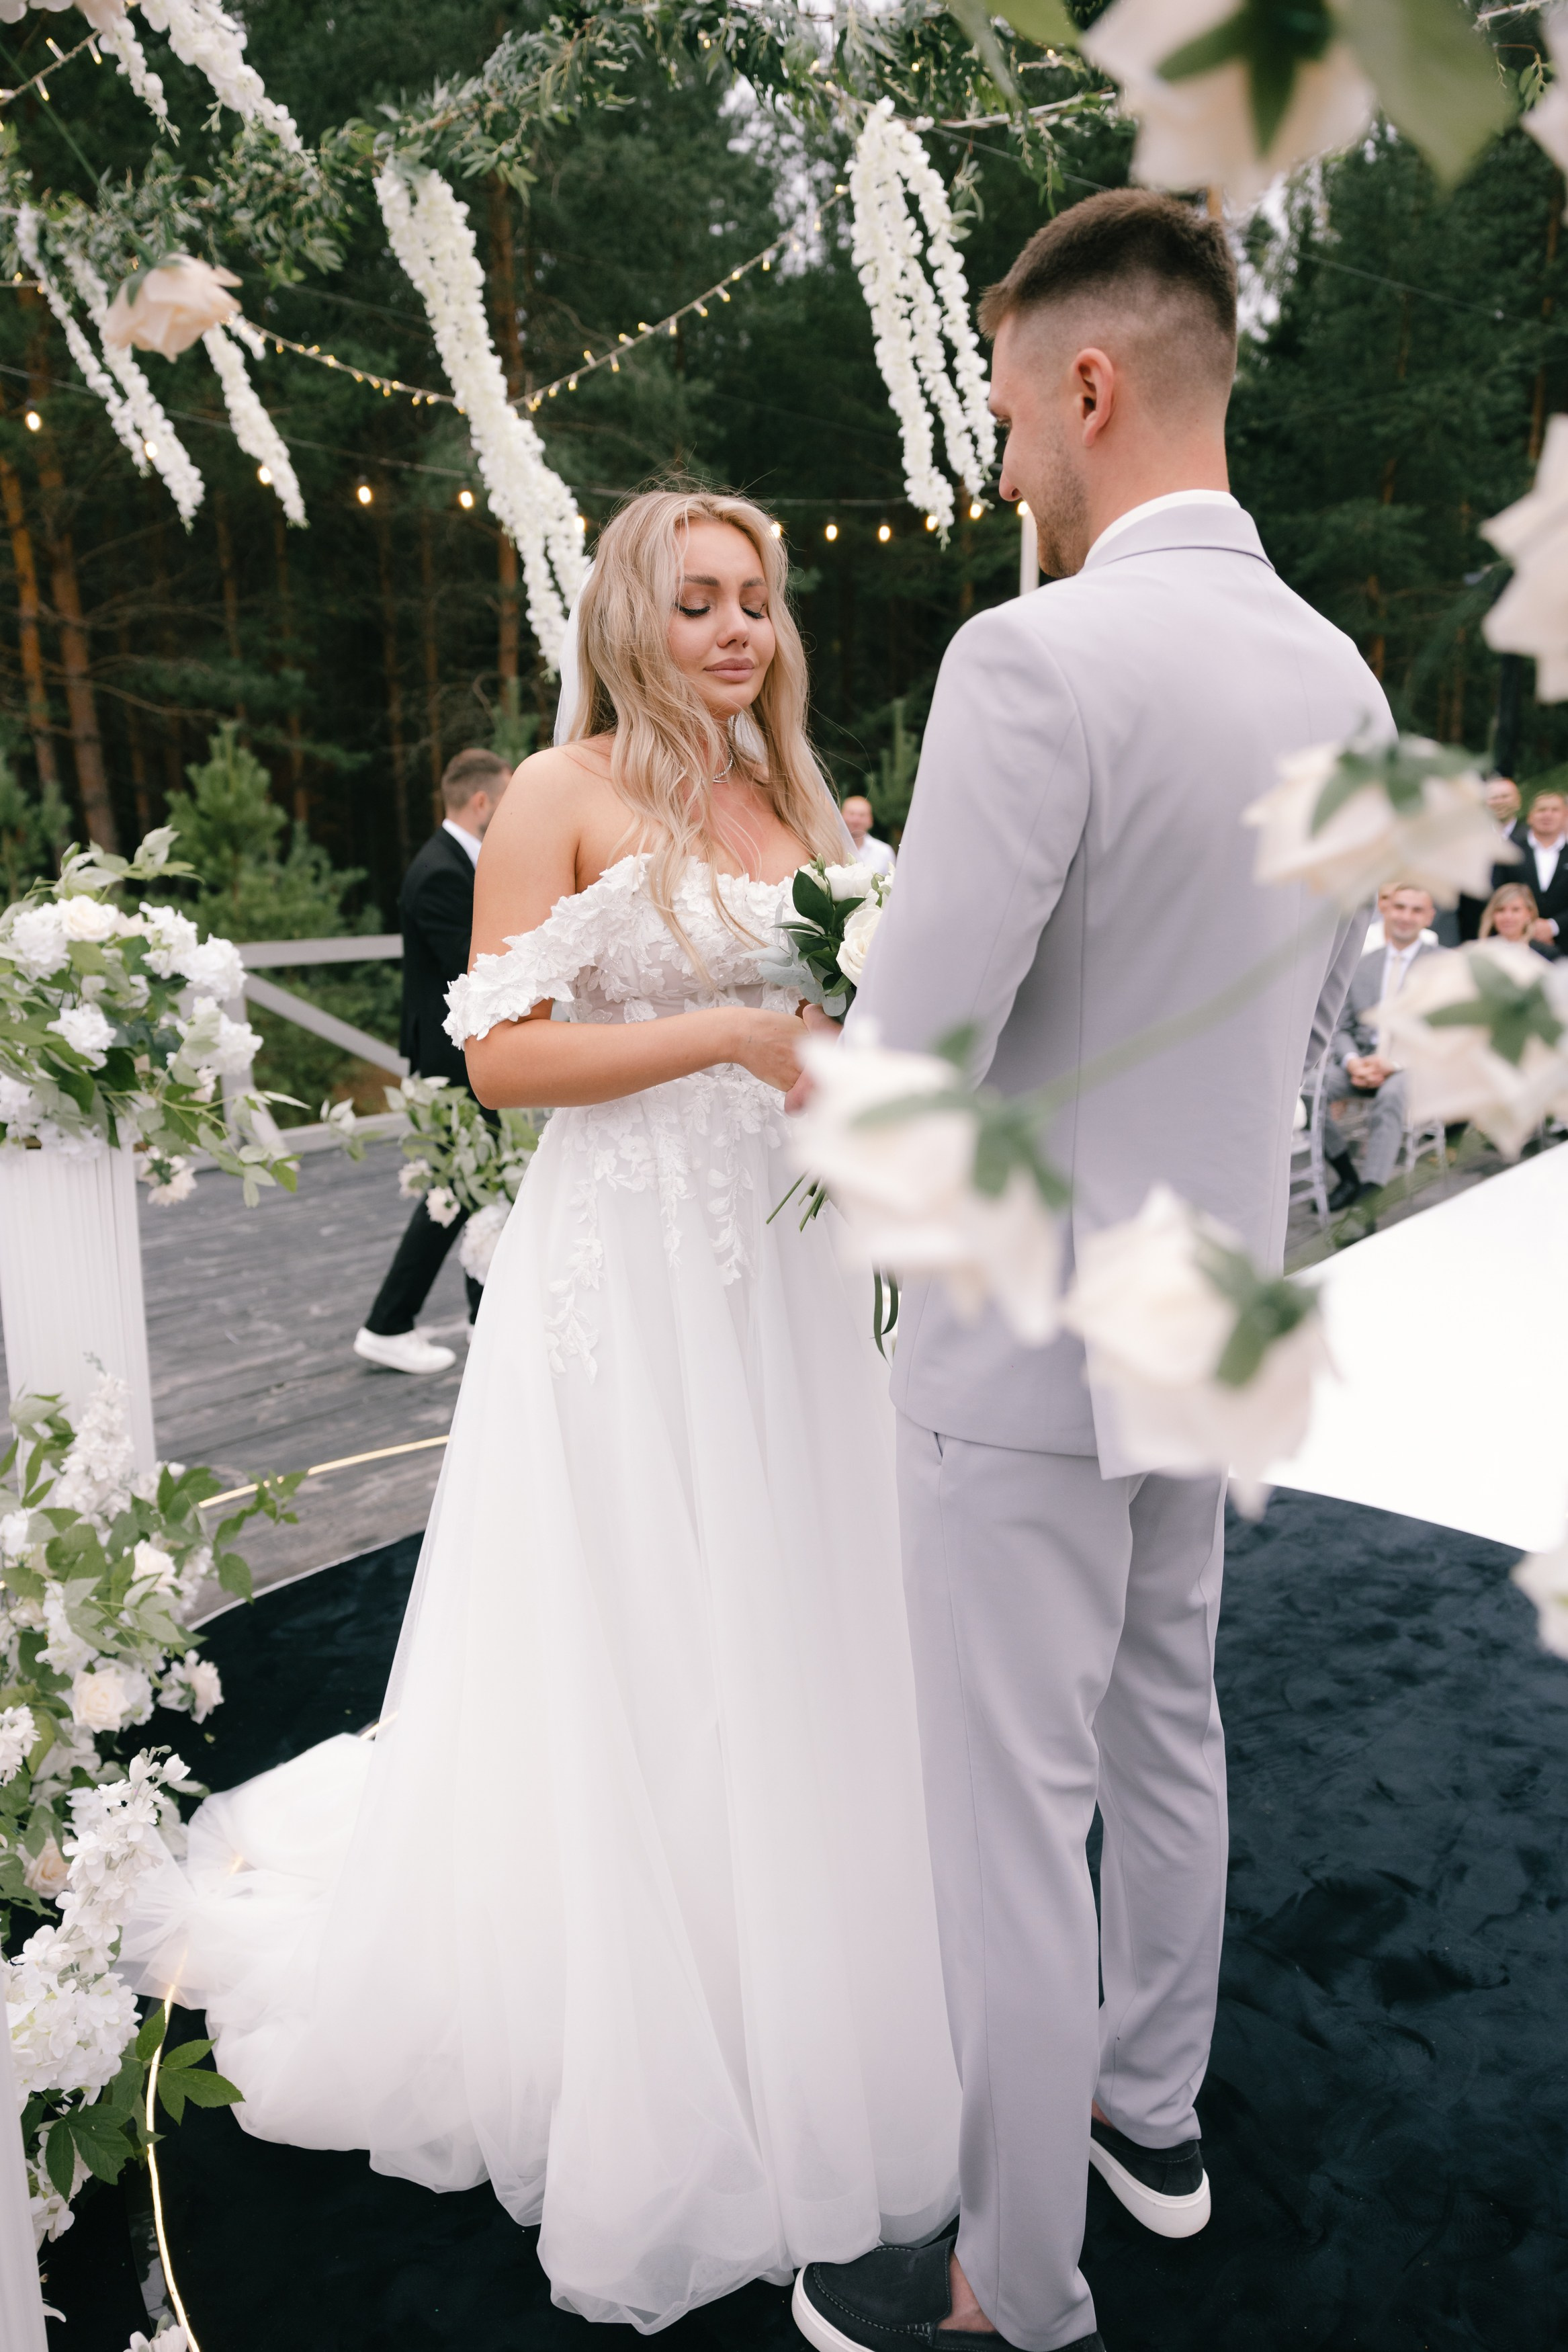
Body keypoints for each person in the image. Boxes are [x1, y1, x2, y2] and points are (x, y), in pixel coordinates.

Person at [122, 489, 960, 2328]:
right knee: (644, 1617)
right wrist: (731, 1034)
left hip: (786, 1269)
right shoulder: (565, 792)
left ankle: (790, 1959)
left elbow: (843, 1007)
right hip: (627, 1272)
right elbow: (497, 1060)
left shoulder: (800, 803)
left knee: (790, 1610)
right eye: (700, 600)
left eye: (756, 600)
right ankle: (637, 2005)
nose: (737, 629)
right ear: (628, 616)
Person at [792, 191, 1388, 2352]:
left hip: (1022, 1334)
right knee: (1167, 1726)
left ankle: (1005, 2284)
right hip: (1210, 1309)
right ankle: (1154, 2116)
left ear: (1088, 380)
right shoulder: (1340, 672)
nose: (1003, 455)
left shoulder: (1030, 656)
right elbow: (1321, 1027)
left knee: (1008, 1818)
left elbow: (918, 1051)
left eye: (1008, 400)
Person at [353, 747, 511, 1376]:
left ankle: (483, 1314)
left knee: (480, 1182)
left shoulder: (456, 861)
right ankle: (387, 1323)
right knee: (454, 1189)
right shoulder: (441, 872)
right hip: (449, 1060)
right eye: (505, 802)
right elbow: (472, 971)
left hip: (457, 1054)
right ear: (481, 803)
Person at [1321, 884, 1441, 1215]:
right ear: (1386, 909)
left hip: (1413, 1067)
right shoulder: (1361, 964)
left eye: (1417, 910)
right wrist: (1352, 1061)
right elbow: (1341, 1026)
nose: (1406, 916)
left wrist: (1395, 1062)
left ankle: (1368, 1201)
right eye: (1400, 907)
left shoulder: (1443, 965)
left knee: (1391, 1096)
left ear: (1429, 917)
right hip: (1361, 1063)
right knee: (1310, 1093)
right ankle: (1347, 1176)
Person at [1456, 775, 1522, 942]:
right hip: (1473, 930)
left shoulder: (1531, 838)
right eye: (1494, 798)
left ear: (1518, 802)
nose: (1499, 802)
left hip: (1519, 933)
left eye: (1505, 797)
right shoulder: (1468, 839)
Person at [1478, 880, 1559, 958]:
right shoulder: (1479, 952)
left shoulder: (1547, 954)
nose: (1508, 916)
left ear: (1529, 914)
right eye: (1501, 910)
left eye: (1516, 910)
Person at [842, 792, 896, 876]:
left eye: (862, 815)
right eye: (851, 814)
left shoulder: (884, 852)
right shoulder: (832, 848)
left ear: (871, 820)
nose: (856, 820)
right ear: (841, 817)